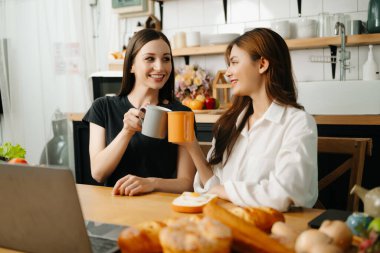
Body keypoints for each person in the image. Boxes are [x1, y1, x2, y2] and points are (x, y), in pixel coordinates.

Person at [182, 28, 318, 211]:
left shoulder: (297, 123)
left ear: (262, 64)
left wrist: (224, 191)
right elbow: (214, 187)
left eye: (234, 62)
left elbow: (286, 192)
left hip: (274, 228)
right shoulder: (229, 124)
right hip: (225, 220)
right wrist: (191, 145)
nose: (228, 72)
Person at [83, 29, 195, 196]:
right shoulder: (103, 107)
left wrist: (151, 183)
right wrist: (126, 131)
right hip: (113, 207)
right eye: (150, 58)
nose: (160, 67)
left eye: (166, 59)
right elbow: (98, 173)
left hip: (158, 209)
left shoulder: (180, 113)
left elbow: (187, 184)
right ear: (131, 66)